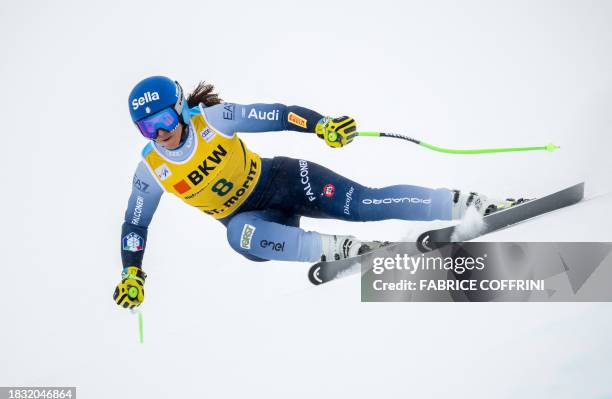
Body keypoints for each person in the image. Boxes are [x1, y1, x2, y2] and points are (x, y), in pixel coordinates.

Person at [113, 76, 523, 309]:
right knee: (239, 236)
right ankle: (346, 250)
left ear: (181, 110)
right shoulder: (152, 170)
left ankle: (470, 204)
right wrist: (132, 272)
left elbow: (275, 115)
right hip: (256, 220)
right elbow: (135, 223)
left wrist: (322, 125)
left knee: (365, 203)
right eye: (148, 129)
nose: (162, 133)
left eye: (164, 120)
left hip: (283, 180)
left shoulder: (214, 120)